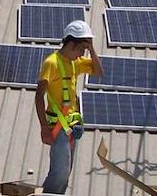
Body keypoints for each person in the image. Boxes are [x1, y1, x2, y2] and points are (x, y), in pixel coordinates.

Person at [35, 20, 104, 194]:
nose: (82, 53)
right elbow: (39, 96)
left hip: (72, 126)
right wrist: (44, 128)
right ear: (71, 44)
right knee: (59, 172)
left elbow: (98, 71)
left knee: (65, 173)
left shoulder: (76, 62)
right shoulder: (52, 63)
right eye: (81, 48)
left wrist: (92, 49)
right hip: (58, 126)